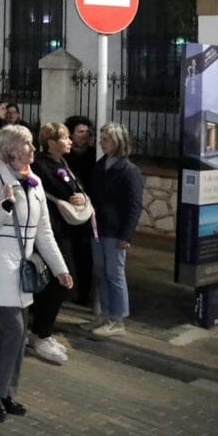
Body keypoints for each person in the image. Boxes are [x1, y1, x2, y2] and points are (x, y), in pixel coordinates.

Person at [0, 125, 72, 423]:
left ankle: (4, 392)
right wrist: (5, 204)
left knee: (17, 335)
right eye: (28, 144)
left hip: (22, 270)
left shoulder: (36, 183)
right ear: (12, 151)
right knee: (14, 330)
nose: (33, 149)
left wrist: (60, 268)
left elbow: (44, 233)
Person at [26, 122, 90, 363]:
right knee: (57, 281)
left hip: (63, 230)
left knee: (62, 281)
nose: (70, 141)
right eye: (64, 138)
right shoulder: (40, 165)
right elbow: (59, 190)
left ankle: (42, 331)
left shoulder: (63, 162)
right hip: (49, 231)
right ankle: (40, 333)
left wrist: (80, 196)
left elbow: (76, 186)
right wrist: (71, 196)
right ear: (51, 142)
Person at [87, 122, 144, 338]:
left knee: (115, 273)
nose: (102, 143)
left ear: (118, 142)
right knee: (101, 273)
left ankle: (118, 319)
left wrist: (126, 235)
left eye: (106, 139)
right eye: (101, 139)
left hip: (115, 230)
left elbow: (134, 205)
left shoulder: (129, 171)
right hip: (98, 227)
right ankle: (106, 314)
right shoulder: (102, 165)